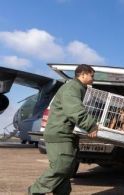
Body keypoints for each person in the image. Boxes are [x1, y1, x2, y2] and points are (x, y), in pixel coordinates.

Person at [28, 64, 99, 195]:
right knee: (61, 168)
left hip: (66, 135)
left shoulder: (79, 88)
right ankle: (34, 192)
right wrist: (90, 125)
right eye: (92, 75)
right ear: (83, 74)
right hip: (60, 135)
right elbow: (74, 109)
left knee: (65, 172)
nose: (93, 78)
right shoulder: (72, 87)